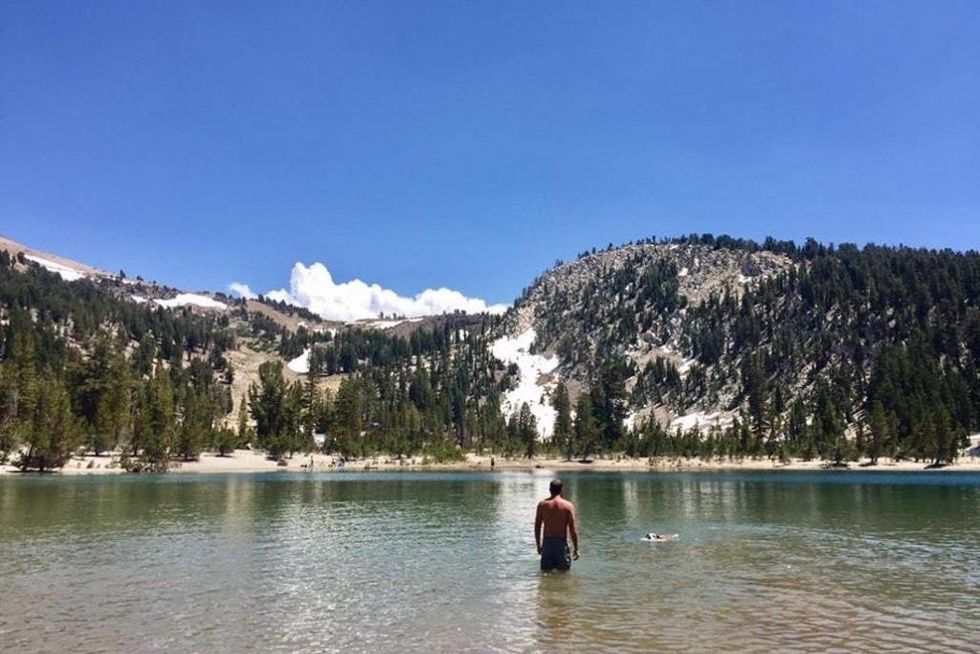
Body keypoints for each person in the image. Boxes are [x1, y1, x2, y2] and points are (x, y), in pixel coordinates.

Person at [534, 479, 579, 571]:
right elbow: (573, 529)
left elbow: (537, 527)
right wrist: (576, 548)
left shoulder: (542, 505)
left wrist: (538, 545)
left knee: (546, 573)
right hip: (561, 543)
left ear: (550, 489)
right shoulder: (568, 506)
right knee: (564, 573)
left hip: (547, 544)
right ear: (562, 489)